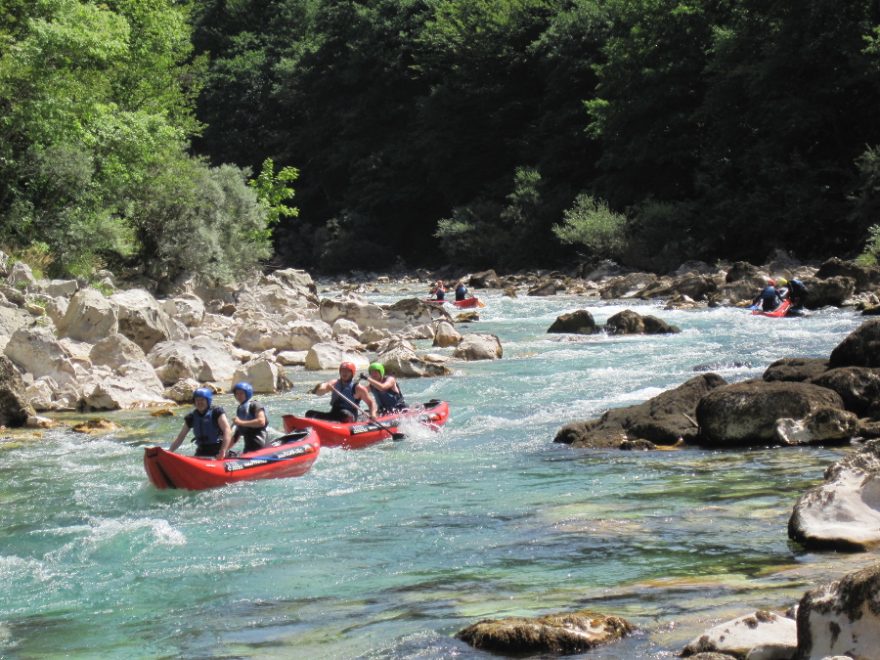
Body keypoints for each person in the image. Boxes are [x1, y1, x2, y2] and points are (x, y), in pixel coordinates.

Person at [168, 387, 234, 459]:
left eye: (202, 400)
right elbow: (180, 438)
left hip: (218, 450)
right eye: (197, 400)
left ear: (208, 400)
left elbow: (227, 430)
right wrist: (169, 451)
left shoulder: (217, 412)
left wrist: (223, 451)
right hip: (201, 451)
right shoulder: (191, 417)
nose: (199, 402)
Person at [306, 361, 378, 422]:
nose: (344, 373)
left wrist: (373, 414)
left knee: (344, 414)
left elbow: (371, 403)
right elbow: (320, 392)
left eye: (347, 371)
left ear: (352, 373)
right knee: (309, 413)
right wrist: (322, 388)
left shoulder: (358, 388)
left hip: (349, 416)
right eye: (343, 371)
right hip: (334, 414)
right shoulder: (334, 383)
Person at [231, 381, 269, 454]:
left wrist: (240, 422)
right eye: (237, 394)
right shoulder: (240, 409)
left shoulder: (255, 405)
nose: (239, 396)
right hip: (248, 447)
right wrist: (224, 450)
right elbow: (237, 434)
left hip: (260, 444)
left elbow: (261, 422)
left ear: (247, 393)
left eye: (241, 393)